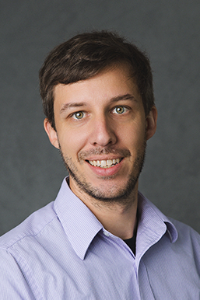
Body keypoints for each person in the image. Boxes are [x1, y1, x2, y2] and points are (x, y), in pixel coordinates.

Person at [0, 31, 199, 299]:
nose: (103, 136)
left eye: (120, 109)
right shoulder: (12, 270)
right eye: (78, 114)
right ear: (53, 133)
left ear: (150, 122)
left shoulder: (194, 251)